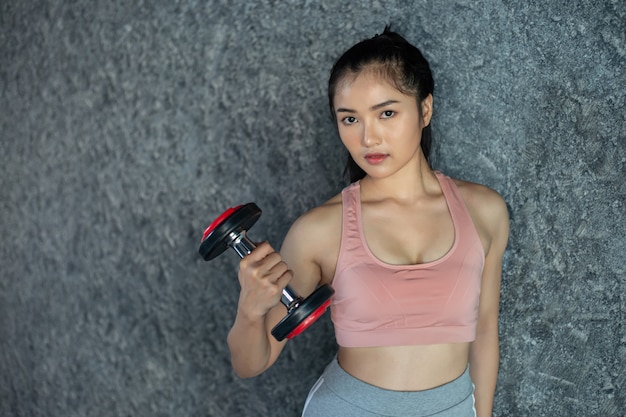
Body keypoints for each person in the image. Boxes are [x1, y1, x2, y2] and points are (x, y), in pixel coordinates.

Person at [226, 26, 509, 417]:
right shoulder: (320, 230)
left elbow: (484, 328)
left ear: (424, 110)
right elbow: (250, 363)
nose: (368, 137)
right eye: (349, 120)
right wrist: (249, 310)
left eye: (387, 113)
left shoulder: (485, 211)